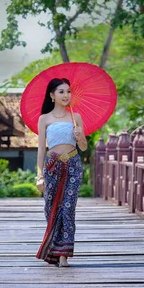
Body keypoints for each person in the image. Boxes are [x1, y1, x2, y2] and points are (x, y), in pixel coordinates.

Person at [35, 78, 87, 267]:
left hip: (73, 164)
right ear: (52, 95)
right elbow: (41, 148)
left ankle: (64, 254)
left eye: (68, 92)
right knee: (51, 208)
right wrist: (39, 175)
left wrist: (80, 136)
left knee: (67, 209)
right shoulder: (44, 119)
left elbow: (83, 147)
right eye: (61, 92)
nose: (66, 95)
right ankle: (53, 250)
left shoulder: (76, 117)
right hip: (52, 166)